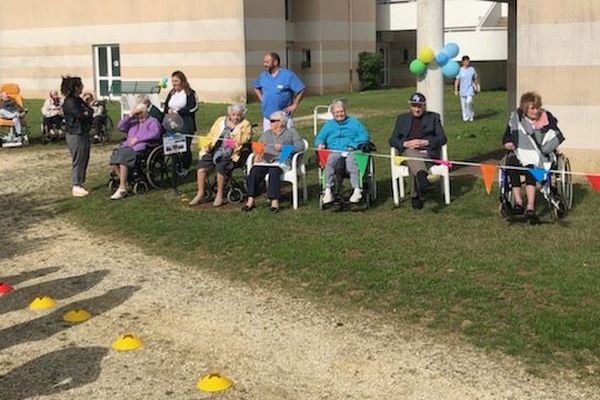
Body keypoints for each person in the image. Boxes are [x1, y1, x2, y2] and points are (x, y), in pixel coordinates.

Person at [502, 91, 565, 221]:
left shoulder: (547, 118)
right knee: (512, 163)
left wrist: (543, 149)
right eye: (532, 108)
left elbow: (555, 136)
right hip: (520, 151)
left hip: (542, 154)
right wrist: (508, 142)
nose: (536, 111)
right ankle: (519, 203)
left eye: (537, 107)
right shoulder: (516, 118)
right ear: (525, 108)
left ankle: (530, 205)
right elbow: (507, 136)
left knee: (531, 165)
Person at [389, 92, 447, 210]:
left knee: (413, 163)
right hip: (408, 152)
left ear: (424, 106)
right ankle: (422, 179)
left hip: (427, 154)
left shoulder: (434, 118)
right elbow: (392, 139)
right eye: (414, 106)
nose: (417, 109)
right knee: (411, 153)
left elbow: (443, 138)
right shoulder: (402, 119)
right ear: (410, 106)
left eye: (419, 106)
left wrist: (425, 142)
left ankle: (415, 195)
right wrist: (406, 143)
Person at [189, 103, 253, 207]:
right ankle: (200, 193)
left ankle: (219, 195)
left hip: (232, 153)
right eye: (233, 114)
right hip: (215, 149)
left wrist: (230, 140)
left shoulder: (245, 124)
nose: (236, 117)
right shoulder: (220, 120)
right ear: (229, 113)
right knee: (201, 168)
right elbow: (211, 135)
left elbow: (244, 139)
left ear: (242, 115)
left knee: (221, 168)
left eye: (238, 115)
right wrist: (206, 147)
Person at [243, 111, 305, 212]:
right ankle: (250, 200)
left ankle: (274, 201)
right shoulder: (267, 133)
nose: (270, 123)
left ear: (280, 122)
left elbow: (300, 146)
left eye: (272, 121)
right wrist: (257, 154)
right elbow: (257, 146)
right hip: (266, 159)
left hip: (282, 159)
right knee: (254, 170)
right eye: (270, 121)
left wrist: (283, 148)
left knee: (274, 171)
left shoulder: (291, 132)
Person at [315, 99, 370, 204]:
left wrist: (353, 145)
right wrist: (320, 143)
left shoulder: (354, 122)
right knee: (330, 160)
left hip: (351, 150)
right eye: (337, 112)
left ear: (345, 111)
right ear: (332, 113)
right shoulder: (329, 125)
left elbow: (365, 136)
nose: (339, 114)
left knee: (351, 160)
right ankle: (327, 191)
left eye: (341, 111)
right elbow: (320, 137)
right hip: (335, 151)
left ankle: (357, 189)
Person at [109, 103, 162, 200]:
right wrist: (130, 115)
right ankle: (124, 182)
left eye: (140, 113)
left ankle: (122, 188)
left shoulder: (153, 121)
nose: (138, 115)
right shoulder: (133, 122)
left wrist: (138, 139)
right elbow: (120, 126)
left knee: (123, 159)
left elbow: (155, 134)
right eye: (136, 113)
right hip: (127, 146)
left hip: (142, 147)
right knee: (115, 158)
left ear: (145, 112)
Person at [253, 52, 305, 132]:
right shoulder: (263, 75)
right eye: (264, 62)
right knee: (268, 143)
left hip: (284, 118)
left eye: (267, 62)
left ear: (275, 62)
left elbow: (301, 89)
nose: (264, 64)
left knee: (286, 141)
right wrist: (262, 98)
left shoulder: (288, 75)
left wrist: (295, 104)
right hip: (268, 118)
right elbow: (256, 87)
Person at [61, 76, 93, 197]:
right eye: (80, 85)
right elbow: (81, 115)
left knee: (85, 156)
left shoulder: (78, 99)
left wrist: (87, 113)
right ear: (75, 87)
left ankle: (80, 182)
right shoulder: (70, 102)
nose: (82, 87)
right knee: (78, 158)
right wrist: (86, 113)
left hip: (83, 131)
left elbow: (89, 111)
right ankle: (76, 184)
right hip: (75, 133)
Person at [163, 70, 198, 170]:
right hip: (171, 123)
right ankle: (176, 165)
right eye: (173, 81)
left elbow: (193, 107)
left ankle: (185, 167)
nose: (174, 83)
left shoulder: (190, 93)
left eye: (176, 81)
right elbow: (165, 106)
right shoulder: (171, 93)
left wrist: (179, 112)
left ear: (182, 81)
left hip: (186, 124)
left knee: (184, 147)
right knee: (173, 146)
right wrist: (169, 110)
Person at [454, 55, 479, 122]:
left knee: (469, 102)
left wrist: (477, 87)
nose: (467, 62)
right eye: (465, 61)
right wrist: (456, 90)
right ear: (463, 62)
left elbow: (475, 78)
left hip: (470, 89)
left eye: (468, 61)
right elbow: (457, 80)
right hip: (462, 90)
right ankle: (465, 117)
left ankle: (471, 116)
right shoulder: (460, 70)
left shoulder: (472, 69)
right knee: (463, 105)